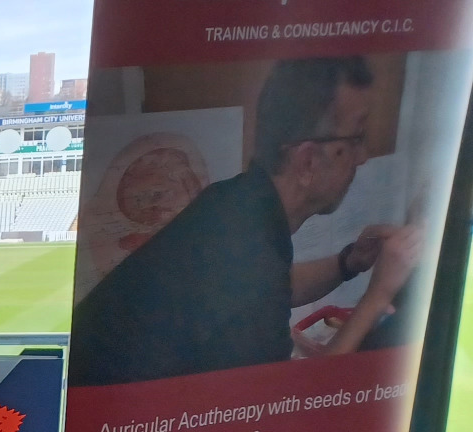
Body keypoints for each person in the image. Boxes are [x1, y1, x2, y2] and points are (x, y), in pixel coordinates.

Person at [71, 56, 420, 385]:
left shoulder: (239, 203)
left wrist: (349, 262)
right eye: (356, 139)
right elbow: (294, 403)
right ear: (308, 162)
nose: (362, 157)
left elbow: (279, 284)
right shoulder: (251, 262)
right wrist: (378, 297)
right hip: (106, 419)